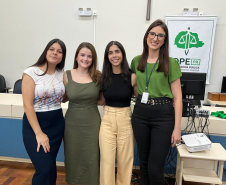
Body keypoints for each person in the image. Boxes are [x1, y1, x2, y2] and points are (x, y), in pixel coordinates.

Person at [131, 19, 182, 185]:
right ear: (147, 36)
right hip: (140, 113)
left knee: (155, 169)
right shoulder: (136, 61)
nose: (155, 38)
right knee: (143, 166)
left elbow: (178, 97)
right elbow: (134, 87)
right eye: (152, 33)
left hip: (163, 115)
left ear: (164, 41)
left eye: (160, 35)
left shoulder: (170, 63)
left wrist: (177, 129)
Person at [22, 38, 66, 185]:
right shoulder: (31, 72)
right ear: (46, 51)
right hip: (35, 125)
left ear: (62, 56)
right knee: (44, 168)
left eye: (59, 51)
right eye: (52, 49)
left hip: (57, 123)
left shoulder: (62, 74)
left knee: (50, 165)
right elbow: (27, 105)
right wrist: (39, 133)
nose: (55, 53)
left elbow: (64, 97)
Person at [63, 42, 102, 185]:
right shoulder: (66, 75)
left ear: (93, 59)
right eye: (83, 55)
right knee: (73, 155)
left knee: (92, 156)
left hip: (92, 122)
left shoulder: (98, 76)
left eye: (89, 56)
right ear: (77, 56)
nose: (85, 59)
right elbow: (63, 97)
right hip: (72, 123)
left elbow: (101, 100)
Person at [99, 41, 137, 185]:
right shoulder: (104, 77)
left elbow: (139, 98)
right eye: (110, 52)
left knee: (125, 162)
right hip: (107, 120)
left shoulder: (132, 77)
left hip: (126, 120)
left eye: (117, 51)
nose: (114, 55)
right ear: (107, 56)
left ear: (122, 54)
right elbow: (101, 100)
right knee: (107, 161)